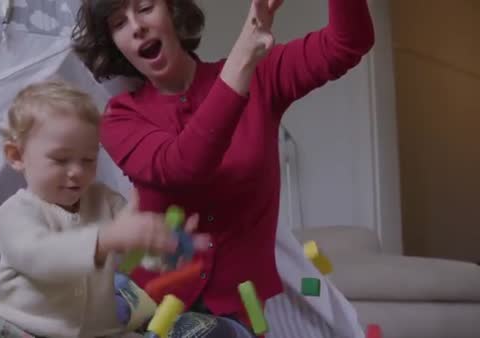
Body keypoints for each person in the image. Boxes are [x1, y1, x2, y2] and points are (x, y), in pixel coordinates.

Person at [72, 0, 375, 336]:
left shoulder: (261, 78)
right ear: (114, 44)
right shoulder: (120, 118)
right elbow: (182, 168)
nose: (135, 26)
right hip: (151, 313)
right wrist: (241, 62)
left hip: (242, 315)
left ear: (171, 11)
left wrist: (244, 67)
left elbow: (348, 42)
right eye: (118, 23)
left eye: (144, 7)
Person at [0, 80, 207, 338]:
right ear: (17, 156)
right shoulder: (15, 212)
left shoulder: (107, 201)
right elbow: (41, 256)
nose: (77, 171)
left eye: (88, 160)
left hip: (97, 332)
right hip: (20, 329)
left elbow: (132, 252)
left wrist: (163, 246)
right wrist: (104, 240)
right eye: (61, 160)